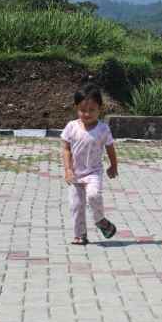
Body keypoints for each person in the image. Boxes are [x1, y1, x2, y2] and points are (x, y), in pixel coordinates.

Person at [61, 83, 118, 245]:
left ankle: (100, 220)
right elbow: (66, 149)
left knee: (93, 195)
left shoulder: (103, 129)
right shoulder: (71, 127)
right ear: (76, 108)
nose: (87, 114)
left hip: (94, 172)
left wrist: (113, 166)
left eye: (92, 110)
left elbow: (110, 148)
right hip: (75, 173)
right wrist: (67, 169)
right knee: (76, 205)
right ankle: (80, 235)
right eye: (82, 110)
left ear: (100, 108)